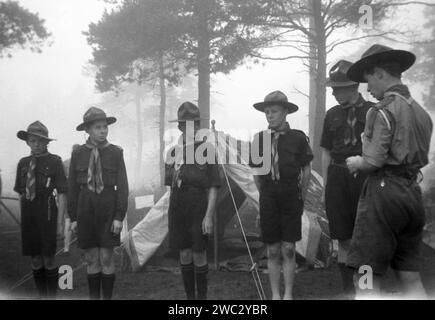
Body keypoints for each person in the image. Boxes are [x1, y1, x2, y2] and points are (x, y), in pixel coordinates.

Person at [345, 44, 433, 299]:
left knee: (365, 274)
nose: (367, 88)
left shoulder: (381, 110)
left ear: (381, 73)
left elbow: (372, 162)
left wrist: (356, 162)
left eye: (368, 79)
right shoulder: (422, 113)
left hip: (385, 192)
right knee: (409, 275)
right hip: (412, 194)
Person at [250, 91, 313, 300]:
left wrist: (300, 197)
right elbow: (257, 176)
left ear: (285, 112)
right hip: (269, 196)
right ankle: (275, 295)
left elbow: (306, 171)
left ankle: (288, 294)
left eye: (274, 111)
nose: (270, 115)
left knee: (288, 247)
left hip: (291, 196)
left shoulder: (298, 138)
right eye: (267, 112)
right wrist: (266, 196)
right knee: (273, 249)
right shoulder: (259, 139)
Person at [320, 60, 374, 298]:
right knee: (342, 237)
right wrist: (325, 185)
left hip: (365, 177)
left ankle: (366, 290)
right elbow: (326, 152)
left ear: (353, 86)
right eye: (332, 88)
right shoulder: (331, 115)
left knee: (365, 237)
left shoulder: (373, 111)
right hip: (338, 177)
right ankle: (348, 290)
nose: (333, 93)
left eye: (338, 88)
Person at [68, 107, 129, 300]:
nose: (103, 131)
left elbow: (123, 188)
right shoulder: (78, 153)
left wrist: (119, 217)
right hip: (85, 209)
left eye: (105, 127)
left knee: (106, 257)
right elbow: (72, 189)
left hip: (108, 209)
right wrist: (74, 218)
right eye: (98, 127)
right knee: (92, 258)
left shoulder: (116, 152)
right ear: (87, 130)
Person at [165, 102, 220, 300]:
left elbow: (214, 185)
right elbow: (170, 185)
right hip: (177, 206)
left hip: (198, 206)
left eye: (196, 124)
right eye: (188, 124)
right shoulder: (172, 152)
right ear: (180, 127)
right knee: (184, 253)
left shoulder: (207, 150)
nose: (193, 128)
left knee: (199, 252)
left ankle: (202, 299)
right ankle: (190, 299)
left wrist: (208, 216)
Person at [14, 121, 68, 299]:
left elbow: (62, 194)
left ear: (46, 142)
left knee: (49, 258)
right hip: (29, 215)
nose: (36, 144)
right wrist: (22, 220)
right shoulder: (23, 163)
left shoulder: (55, 161)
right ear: (27, 142)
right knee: (35, 259)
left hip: (48, 213)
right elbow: (21, 194)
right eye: (32, 140)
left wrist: (60, 225)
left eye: (40, 141)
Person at [62, 144, 80, 254]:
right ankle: (66, 248)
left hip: (79, 195)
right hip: (70, 195)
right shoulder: (65, 163)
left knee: (74, 220)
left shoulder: (83, 161)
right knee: (68, 221)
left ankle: (71, 245)